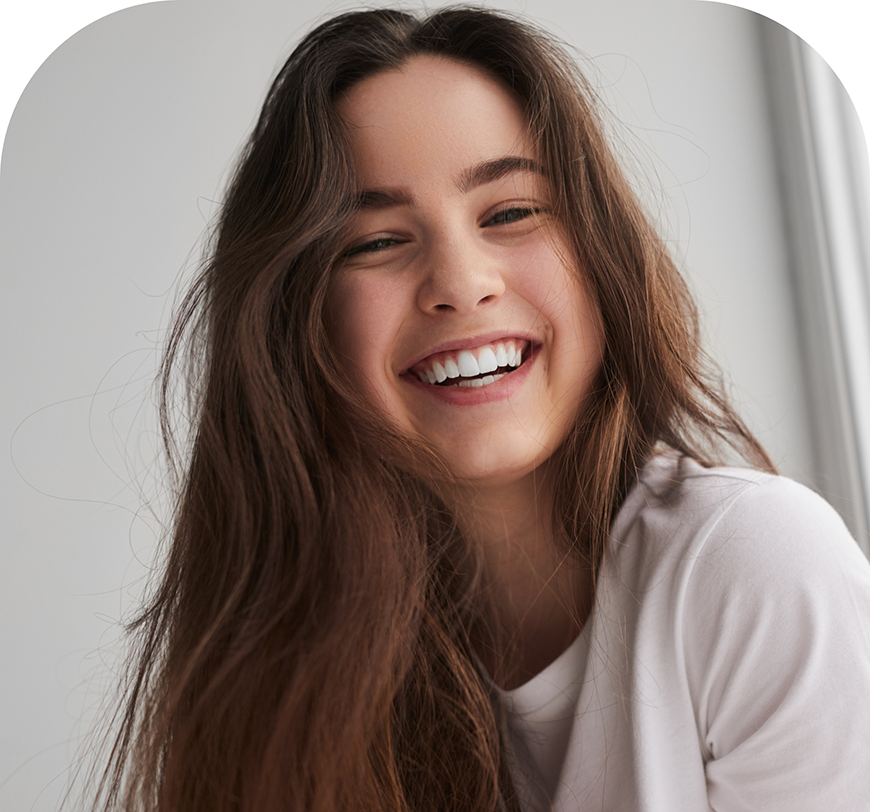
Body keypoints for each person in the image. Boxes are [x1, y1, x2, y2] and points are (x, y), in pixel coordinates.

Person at [88, 7, 870, 812]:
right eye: (377, 242)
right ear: (298, 319)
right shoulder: (284, 661)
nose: (462, 282)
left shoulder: (759, 570)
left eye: (510, 213)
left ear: (600, 252)